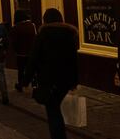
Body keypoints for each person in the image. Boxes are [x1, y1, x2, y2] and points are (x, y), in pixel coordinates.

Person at [23, 8, 79, 139]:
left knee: (53, 110)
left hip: (49, 80)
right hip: (65, 81)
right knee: (55, 107)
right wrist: (74, 82)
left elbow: (33, 59)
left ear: (45, 20)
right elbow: (74, 60)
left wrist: (25, 81)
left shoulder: (42, 35)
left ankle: (58, 136)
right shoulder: (69, 35)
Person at [9, 10, 36, 92]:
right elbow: (35, 37)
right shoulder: (32, 25)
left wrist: (16, 50)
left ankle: (21, 84)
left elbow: (14, 41)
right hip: (31, 52)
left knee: (21, 70)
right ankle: (34, 84)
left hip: (21, 53)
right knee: (32, 69)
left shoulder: (16, 27)